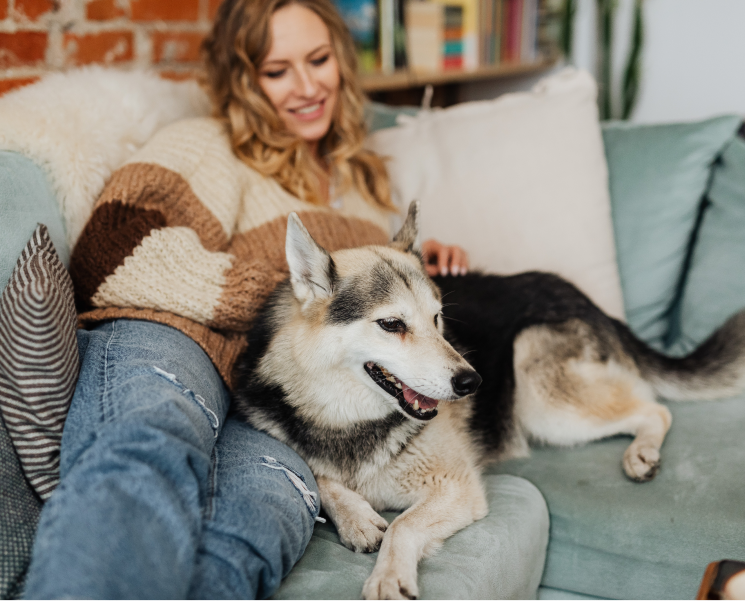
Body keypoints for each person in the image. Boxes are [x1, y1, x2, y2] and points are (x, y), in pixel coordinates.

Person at [24, 0, 468, 600]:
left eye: (318, 59)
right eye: (278, 70)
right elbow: (111, 248)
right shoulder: (208, 143)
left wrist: (416, 268)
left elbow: (367, 308)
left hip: (267, 401)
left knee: (265, 516)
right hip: (169, 339)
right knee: (147, 454)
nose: (308, 86)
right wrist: (291, 305)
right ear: (243, 79)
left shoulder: (361, 183)